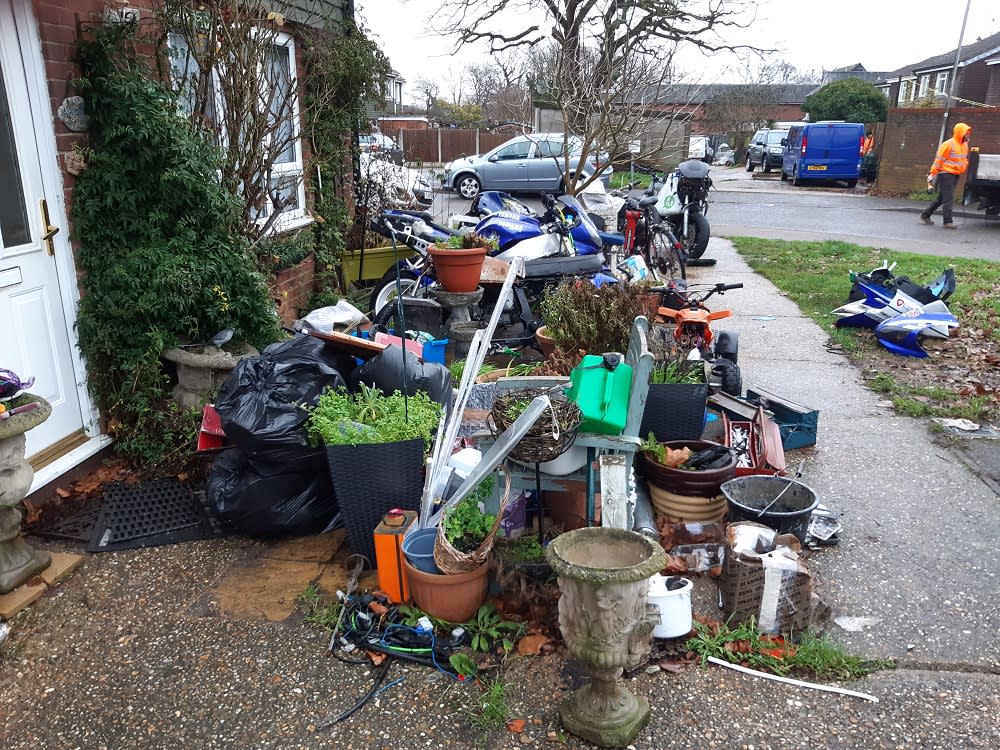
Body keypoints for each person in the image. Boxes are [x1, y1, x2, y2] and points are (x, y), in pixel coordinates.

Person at [921, 122, 972, 229]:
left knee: (941, 198)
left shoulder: (964, 145)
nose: (968, 135)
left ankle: (925, 215)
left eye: (968, 133)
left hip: (955, 174)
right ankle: (947, 222)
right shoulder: (948, 144)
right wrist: (932, 173)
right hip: (946, 174)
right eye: (966, 133)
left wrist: (964, 167)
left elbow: (964, 159)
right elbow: (938, 160)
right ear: (959, 133)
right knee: (948, 198)